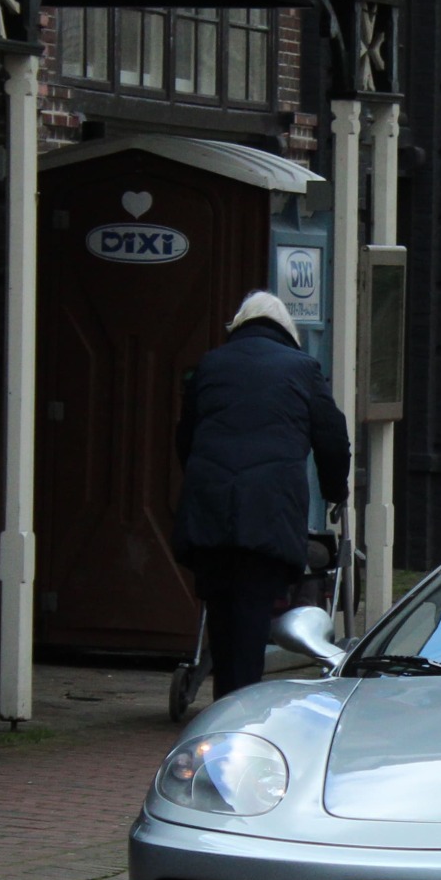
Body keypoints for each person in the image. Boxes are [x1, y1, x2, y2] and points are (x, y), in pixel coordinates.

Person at [173, 290, 349, 699]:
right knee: (252, 613)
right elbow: (332, 439)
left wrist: (202, 482)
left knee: (221, 610)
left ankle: (225, 700)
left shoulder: (211, 365)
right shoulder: (303, 369)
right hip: (268, 511)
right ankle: (240, 708)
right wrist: (335, 491)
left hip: (211, 510)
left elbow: (186, 437)